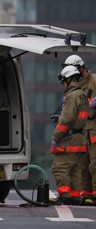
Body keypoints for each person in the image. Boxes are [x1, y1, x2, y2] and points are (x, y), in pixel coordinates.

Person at [50, 65, 88, 205]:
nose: (63, 84)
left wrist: (55, 137)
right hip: (79, 138)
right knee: (75, 170)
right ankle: (75, 196)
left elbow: (66, 120)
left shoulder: (72, 96)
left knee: (60, 168)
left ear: (69, 79)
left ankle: (65, 195)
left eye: (64, 81)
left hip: (69, 139)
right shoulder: (81, 94)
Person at [62, 55, 96, 205]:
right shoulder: (72, 86)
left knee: (95, 163)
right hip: (81, 130)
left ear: (81, 68)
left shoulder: (94, 80)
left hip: (94, 128)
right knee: (81, 164)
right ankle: (86, 193)